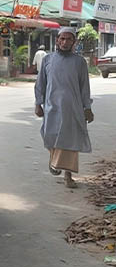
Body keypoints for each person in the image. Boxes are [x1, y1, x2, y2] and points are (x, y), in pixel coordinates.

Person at [34, 28, 94, 188]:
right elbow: (40, 83)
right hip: (51, 107)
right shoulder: (48, 60)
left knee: (70, 142)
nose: (65, 42)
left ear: (74, 42)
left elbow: (84, 87)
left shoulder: (80, 62)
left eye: (69, 39)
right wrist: (38, 103)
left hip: (72, 108)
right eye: (62, 39)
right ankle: (54, 160)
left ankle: (68, 176)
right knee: (50, 136)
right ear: (57, 40)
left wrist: (87, 107)